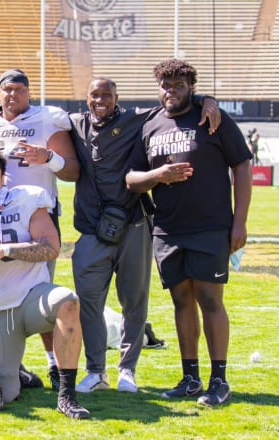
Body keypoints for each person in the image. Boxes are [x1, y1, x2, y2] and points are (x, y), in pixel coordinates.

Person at [68, 78, 221, 394]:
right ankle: (95, 371)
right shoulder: (72, 123)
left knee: (134, 302)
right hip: (90, 227)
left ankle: (127, 370)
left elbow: (173, 101)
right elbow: (28, 114)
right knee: (89, 303)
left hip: (134, 223)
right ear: (86, 98)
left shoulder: (137, 118)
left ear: (116, 98)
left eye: (107, 95)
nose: (100, 100)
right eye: (94, 94)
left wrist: (206, 98)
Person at [126, 59, 252, 406]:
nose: (171, 91)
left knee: (210, 300)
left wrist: (239, 221)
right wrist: (159, 176)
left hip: (211, 226)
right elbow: (132, 179)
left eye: (179, 86)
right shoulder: (150, 124)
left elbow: (241, 164)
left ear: (191, 88)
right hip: (167, 230)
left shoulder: (211, 117)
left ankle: (219, 380)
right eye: (166, 85)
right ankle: (191, 377)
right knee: (182, 301)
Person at [0, 147, 89, 419]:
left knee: (67, 301)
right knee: (2, 395)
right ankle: (19, 375)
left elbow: (51, 248)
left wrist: (6, 250)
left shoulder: (26, 199)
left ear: (3, 176)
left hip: (32, 297)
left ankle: (67, 394)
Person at [0, 69, 79, 391]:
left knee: (40, 290)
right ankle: (15, 365)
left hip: (36, 217)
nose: (12, 95)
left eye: (18, 89)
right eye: (6, 90)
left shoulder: (48, 119)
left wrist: (49, 158)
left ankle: (54, 365)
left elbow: (72, 170)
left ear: (29, 93)